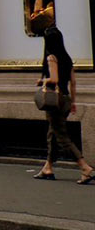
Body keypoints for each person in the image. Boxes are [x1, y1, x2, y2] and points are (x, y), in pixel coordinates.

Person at [34, 27, 95, 184]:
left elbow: (54, 79)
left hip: (55, 101)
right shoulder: (67, 58)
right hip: (66, 99)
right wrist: (73, 102)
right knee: (53, 133)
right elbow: (73, 82)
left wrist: (42, 81)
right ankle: (48, 167)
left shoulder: (51, 57)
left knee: (62, 137)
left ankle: (85, 168)